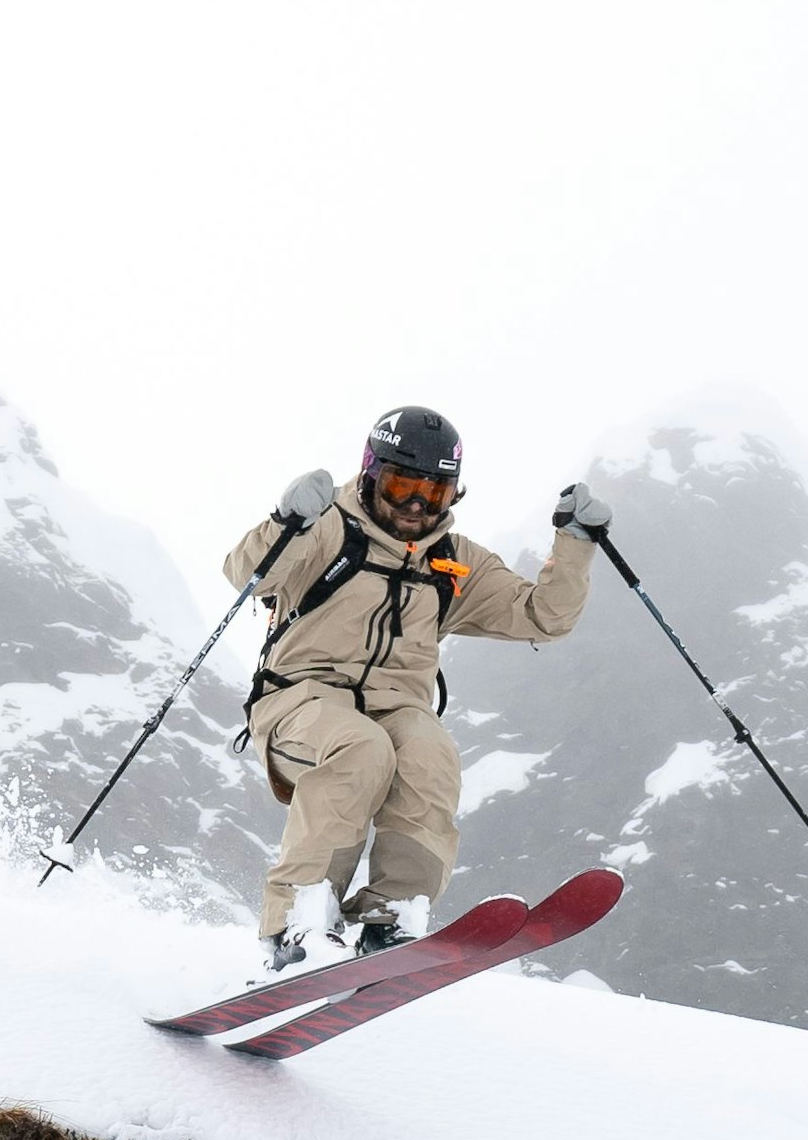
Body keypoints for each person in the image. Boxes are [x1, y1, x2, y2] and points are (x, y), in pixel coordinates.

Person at [222, 406, 603, 974]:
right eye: (403, 486)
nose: (417, 507)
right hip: (299, 701)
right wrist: (285, 520)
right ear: (373, 473)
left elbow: (543, 616)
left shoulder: (451, 562)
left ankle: (393, 915)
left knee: (429, 755)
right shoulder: (328, 529)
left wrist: (574, 544)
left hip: (397, 709)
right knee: (361, 749)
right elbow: (246, 572)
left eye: (436, 492)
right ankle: (299, 921)